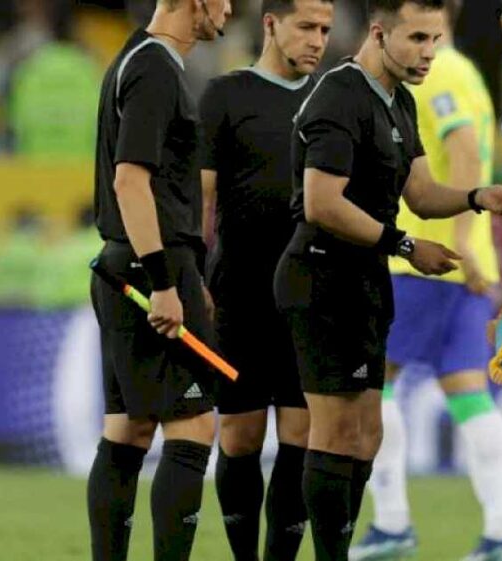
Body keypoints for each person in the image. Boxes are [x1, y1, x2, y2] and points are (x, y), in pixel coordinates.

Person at [272, 0, 502, 558]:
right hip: (323, 279)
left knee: (367, 433)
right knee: (332, 432)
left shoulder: (399, 99)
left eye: (435, 39)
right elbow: (322, 203)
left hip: (366, 282)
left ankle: (370, 534)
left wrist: (477, 198)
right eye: (417, 39)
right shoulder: (340, 95)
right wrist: (403, 244)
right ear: (379, 33)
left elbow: (420, 191)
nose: (429, 53)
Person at [350, 1, 502, 560]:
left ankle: (393, 522)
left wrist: (466, 242)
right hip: (460, 264)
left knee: (373, 386)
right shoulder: (466, 70)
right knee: (467, 390)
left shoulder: (436, 70)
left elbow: (466, 152)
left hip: (424, 259)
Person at [86, 2, 230, 561]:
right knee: (193, 427)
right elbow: (130, 181)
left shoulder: (133, 59)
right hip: (150, 268)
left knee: (128, 428)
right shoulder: (155, 68)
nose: (228, 8)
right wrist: (166, 280)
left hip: (126, 263)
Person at [198, 1, 334, 560]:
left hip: (309, 297)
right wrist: (190, 275)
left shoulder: (333, 99)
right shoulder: (226, 96)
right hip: (239, 294)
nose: (318, 41)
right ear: (271, 25)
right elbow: (200, 198)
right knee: (240, 437)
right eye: (306, 27)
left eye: (325, 30)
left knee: (302, 437)